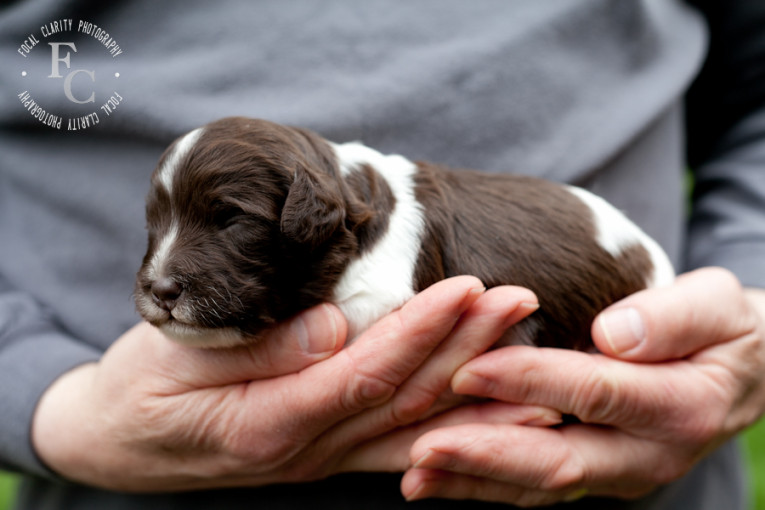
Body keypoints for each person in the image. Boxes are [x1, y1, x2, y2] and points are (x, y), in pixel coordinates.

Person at [1, 1, 764, 509]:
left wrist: (750, 292)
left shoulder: (366, 242)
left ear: (312, 224)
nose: (164, 270)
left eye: (228, 221)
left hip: (629, 451)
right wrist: (42, 395)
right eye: (160, 225)